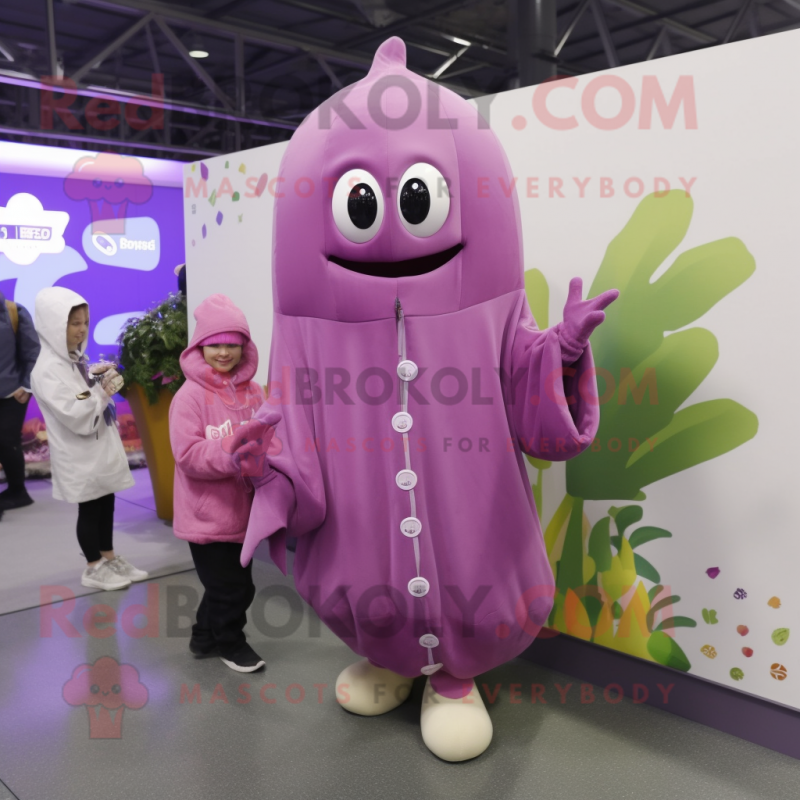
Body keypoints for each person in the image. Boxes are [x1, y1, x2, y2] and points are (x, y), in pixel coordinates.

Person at [169, 294, 278, 674]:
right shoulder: (189, 397)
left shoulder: (254, 391)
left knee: (229, 585)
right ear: (200, 346)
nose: (224, 352)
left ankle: (203, 637)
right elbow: (187, 455)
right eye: (215, 344)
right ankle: (232, 643)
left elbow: (268, 438)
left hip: (244, 513)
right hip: (207, 517)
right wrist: (231, 453)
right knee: (234, 588)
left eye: (233, 343)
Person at [30, 287, 148, 591]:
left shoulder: (74, 359)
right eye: (74, 323)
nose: (82, 329)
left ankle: (109, 557)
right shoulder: (46, 370)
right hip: (78, 452)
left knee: (106, 499)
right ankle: (93, 566)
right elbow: (74, 412)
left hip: (98, 449)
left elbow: (82, 393)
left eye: (84, 322)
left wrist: (96, 378)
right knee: (90, 507)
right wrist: (101, 391)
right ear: (53, 325)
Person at [0, 289, 41, 514]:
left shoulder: (14, 311)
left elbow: (32, 352)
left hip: (12, 391)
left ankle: (18, 491)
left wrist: (27, 386)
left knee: (7, 440)